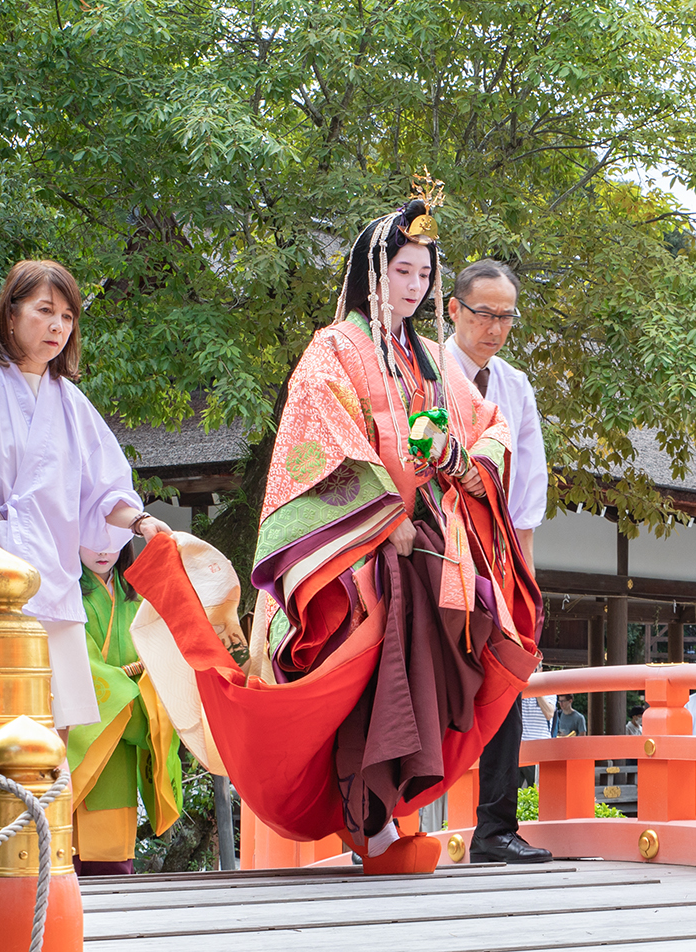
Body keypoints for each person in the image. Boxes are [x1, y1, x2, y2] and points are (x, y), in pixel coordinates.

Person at [124, 183, 542, 875]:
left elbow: (489, 428)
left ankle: (382, 821)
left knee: (432, 679)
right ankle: (366, 826)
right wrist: (384, 519)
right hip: (359, 561)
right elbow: (318, 443)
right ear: (371, 273)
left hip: (428, 550)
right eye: (401, 271)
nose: (413, 286)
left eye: (424, 274)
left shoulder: (435, 360)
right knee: (360, 687)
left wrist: (461, 461)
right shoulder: (334, 348)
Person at [0, 259, 175, 729]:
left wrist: (139, 522)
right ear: (10, 315)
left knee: (57, 729)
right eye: (45, 311)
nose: (58, 326)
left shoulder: (73, 403)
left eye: (68, 316)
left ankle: (51, 807)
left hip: (52, 581)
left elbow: (103, 492)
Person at [447, 258, 552, 865]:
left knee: (506, 685)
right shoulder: (423, 372)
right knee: (418, 682)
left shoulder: (514, 385)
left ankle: (495, 830)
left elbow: (528, 490)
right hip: (437, 546)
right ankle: (385, 824)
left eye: (506, 316)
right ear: (455, 309)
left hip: (498, 553)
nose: (495, 327)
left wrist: (527, 582)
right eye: (484, 313)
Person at [68, 544, 184, 876]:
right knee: (67, 842)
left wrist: (147, 681)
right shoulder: (63, 594)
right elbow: (68, 659)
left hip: (125, 724)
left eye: (113, 537)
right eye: (92, 535)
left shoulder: (137, 596)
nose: (104, 548)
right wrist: (125, 686)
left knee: (113, 845)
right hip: (83, 725)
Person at [518, 685, 555, 788]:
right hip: (518, 748)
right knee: (512, 791)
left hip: (539, 750)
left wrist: (536, 689)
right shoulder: (519, 690)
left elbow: (549, 713)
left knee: (538, 789)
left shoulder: (549, 690)